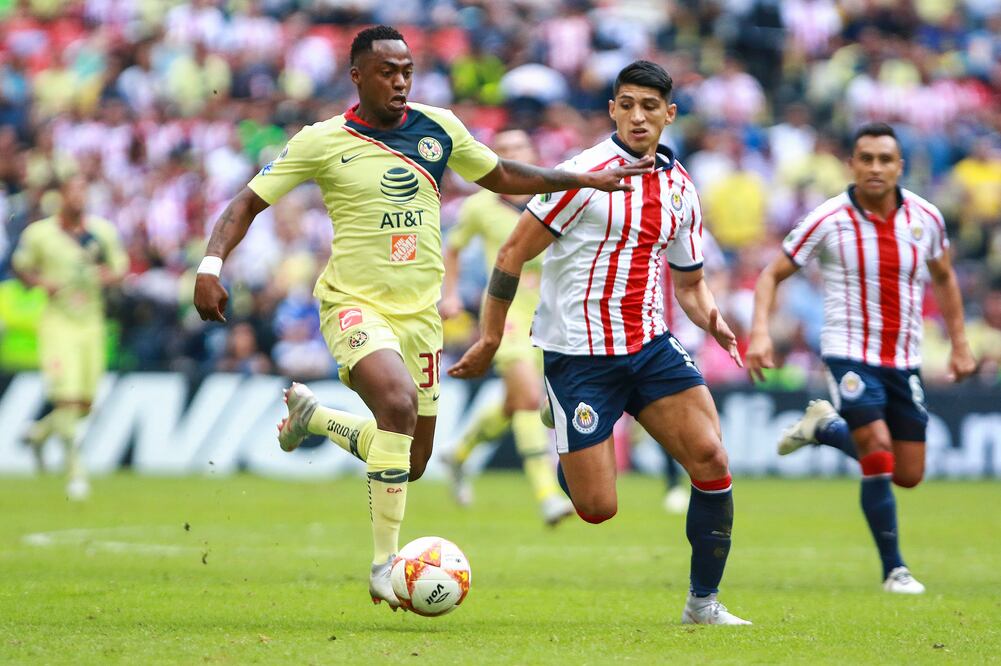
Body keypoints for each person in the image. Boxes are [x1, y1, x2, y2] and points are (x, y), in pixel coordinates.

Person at [191, 25, 651, 611]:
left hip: (421, 318)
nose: (401, 81)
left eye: (407, 71)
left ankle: (315, 418)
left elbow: (502, 175)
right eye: (387, 71)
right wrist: (210, 265)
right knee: (397, 404)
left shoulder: (438, 129)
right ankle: (384, 566)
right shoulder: (322, 140)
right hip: (354, 304)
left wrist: (578, 179)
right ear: (357, 76)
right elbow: (245, 203)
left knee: (410, 461)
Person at [449, 60, 751, 626]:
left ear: (669, 114)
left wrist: (713, 319)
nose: (638, 116)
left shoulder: (681, 189)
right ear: (612, 109)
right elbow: (512, 253)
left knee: (711, 458)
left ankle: (703, 603)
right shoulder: (580, 175)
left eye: (650, 106)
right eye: (627, 104)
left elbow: (689, 284)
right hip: (579, 356)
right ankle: (562, 423)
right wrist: (490, 336)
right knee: (596, 508)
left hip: (650, 346)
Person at [746, 122, 977, 594]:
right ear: (851, 164)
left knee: (908, 474)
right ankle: (895, 570)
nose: (875, 167)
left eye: (884, 159)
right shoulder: (828, 218)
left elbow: (944, 277)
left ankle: (825, 428)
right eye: (866, 158)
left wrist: (959, 344)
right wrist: (760, 333)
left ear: (899, 166)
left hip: (904, 357)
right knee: (875, 444)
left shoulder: (926, 217)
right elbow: (771, 274)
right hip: (848, 352)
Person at [439, 128, 573, 526]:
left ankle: (459, 453)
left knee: (515, 401)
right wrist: (450, 294)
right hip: (505, 312)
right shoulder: (479, 206)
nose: (513, 153)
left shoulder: (552, 197)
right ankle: (547, 495)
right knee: (529, 397)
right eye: (505, 149)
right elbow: (453, 248)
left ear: (532, 153)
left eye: (519, 147)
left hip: (549, 314)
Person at [12, 174, 128, 500]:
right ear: (61, 196)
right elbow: (20, 266)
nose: (79, 197)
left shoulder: (101, 232)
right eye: (73, 191)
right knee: (65, 397)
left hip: (91, 323)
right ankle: (75, 471)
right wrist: (39, 283)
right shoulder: (40, 234)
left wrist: (105, 276)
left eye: (83, 191)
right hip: (57, 323)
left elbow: (120, 268)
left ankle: (39, 435)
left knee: (85, 404)